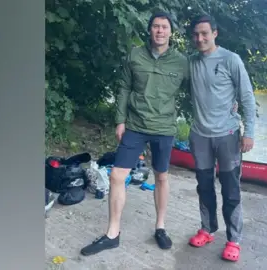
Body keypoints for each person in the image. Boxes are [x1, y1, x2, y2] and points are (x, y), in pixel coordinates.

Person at [80, 12, 189, 256]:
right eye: (156, 27)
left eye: (164, 27)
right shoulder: (135, 55)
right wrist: (120, 120)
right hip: (136, 126)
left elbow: (199, 88)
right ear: (150, 30)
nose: (160, 31)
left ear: (171, 32)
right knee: (118, 176)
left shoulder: (181, 62)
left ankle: (160, 227)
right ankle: (112, 234)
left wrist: (227, 103)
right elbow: (124, 88)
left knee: (161, 177)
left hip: (164, 128)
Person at [186, 15, 256, 262]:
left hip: (227, 136)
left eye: (204, 33)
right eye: (196, 34)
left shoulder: (231, 60)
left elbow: (246, 98)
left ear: (215, 33)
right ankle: (207, 229)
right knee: (204, 186)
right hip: (200, 136)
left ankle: (234, 239)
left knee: (231, 190)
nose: (200, 38)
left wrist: (249, 133)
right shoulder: (191, 62)